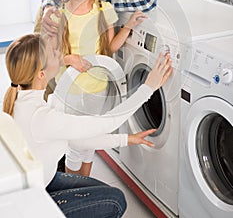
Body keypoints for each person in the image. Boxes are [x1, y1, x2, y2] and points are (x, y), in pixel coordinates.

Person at [3, 33, 172, 218]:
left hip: (40, 181)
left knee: (103, 190)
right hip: (31, 203)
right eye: (53, 54)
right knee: (115, 201)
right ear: (41, 74)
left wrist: (126, 139)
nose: (59, 54)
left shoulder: (23, 101)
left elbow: (76, 140)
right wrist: (148, 88)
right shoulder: (41, 117)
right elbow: (107, 123)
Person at [51, 0, 148, 176]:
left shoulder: (104, 10)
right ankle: (75, 191)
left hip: (97, 88)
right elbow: (48, 59)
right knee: (76, 146)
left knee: (89, 143)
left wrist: (130, 25)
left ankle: (84, 187)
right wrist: (69, 59)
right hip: (69, 91)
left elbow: (110, 47)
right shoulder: (58, 14)